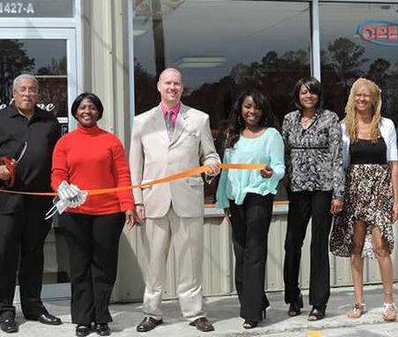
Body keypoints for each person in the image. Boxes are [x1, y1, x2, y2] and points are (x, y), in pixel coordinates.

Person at [130, 68, 220, 333]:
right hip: (153, 200)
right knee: (154, 261)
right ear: (158, 86)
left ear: (183, 88)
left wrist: (213, 165)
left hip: (187, 199)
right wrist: (137, 200)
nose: (172, 87)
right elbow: (135, 165)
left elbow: (210, 154)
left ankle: (194, 312)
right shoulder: (141, 121)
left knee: (190, 260)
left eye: (177, 83)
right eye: (167, 83)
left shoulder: (199, 119)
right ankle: (152, 311)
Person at [51, 93, 138, 337]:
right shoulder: (64, 142)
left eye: (91, 107)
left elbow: (122, 175)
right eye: (81, 107)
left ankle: (101, 317)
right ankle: (82, 318)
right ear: (75, 112)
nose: (86, 111)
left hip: (108, 214)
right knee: (79, 267)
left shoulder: (111, 141)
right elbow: (57, 174)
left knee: (104, 266)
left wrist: (128, 205)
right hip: (75, 213)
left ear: (98, 112)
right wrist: (61, 187)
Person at [0, 74, 62, 333]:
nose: (28, 94)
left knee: (34, 255)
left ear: (38, 94)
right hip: (6, 200)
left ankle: (33, 306)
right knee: (5, 256)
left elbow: (57, 159)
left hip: (39, 202)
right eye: (23, 90)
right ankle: (4, 310)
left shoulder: (49, 121)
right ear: (13, 93)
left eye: (32, 90)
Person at [330, 78, 398, 321]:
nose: (361, 98)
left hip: (380, 192)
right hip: (355, 192)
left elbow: (393, 166)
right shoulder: (343, 127)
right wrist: (338, 196)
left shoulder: (386, 125)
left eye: (366, 95)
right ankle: (359, 302)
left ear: (374, 99)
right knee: (356, 247)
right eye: (357, 94)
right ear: (352, 97)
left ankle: (389, 302)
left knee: (382, 247)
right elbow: (342, 166)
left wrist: (396, 201)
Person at [216, 90, 285, 329]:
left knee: (254, 252)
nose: (251, 111)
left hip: (259, 197)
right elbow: (226, 171)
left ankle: (251, 312)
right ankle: (256, 301)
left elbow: (279, 167)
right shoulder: (232, 135)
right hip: (235, 200)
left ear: (263, 111)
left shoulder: (271, 136)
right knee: (240, 251)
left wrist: (271, 173)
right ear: (241, 109)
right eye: (247, 107)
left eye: (256, 107)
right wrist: (223, 201)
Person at [282, 77, 344, 321]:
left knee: (318, 243)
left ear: (319, 96)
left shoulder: (330, 118)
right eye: (303, 92)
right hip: (297, 188)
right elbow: (284, 153)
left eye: (312, 93)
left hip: (323, 188)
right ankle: (292, 296)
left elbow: (338, 157)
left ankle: (319, 302)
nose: (307, 96)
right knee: (291, 242)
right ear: (297, 94)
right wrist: (284, 179)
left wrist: (338, 193)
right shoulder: (289, 119)